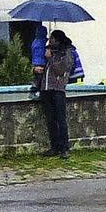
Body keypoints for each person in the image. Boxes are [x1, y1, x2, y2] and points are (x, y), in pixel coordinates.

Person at [36, 30, 75, 159]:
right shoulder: (49, 51)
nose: (49, 41)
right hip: (46, 88)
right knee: (51, 119)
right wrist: (37, 69)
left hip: (58, 89)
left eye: (52, 39)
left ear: (58, 40)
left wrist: (50, 58)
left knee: (60, 119)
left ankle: (64, 148)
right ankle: (54, 146)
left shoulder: (66, 52)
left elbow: (60, 70)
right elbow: (47, 70)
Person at [30, 25, 48, 94]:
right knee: (40, 80)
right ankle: (35, 92)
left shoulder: (34, 42)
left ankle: (35, 91)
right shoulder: (42, 42)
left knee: (37, 79)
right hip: (41, 64)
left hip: (35, 63)